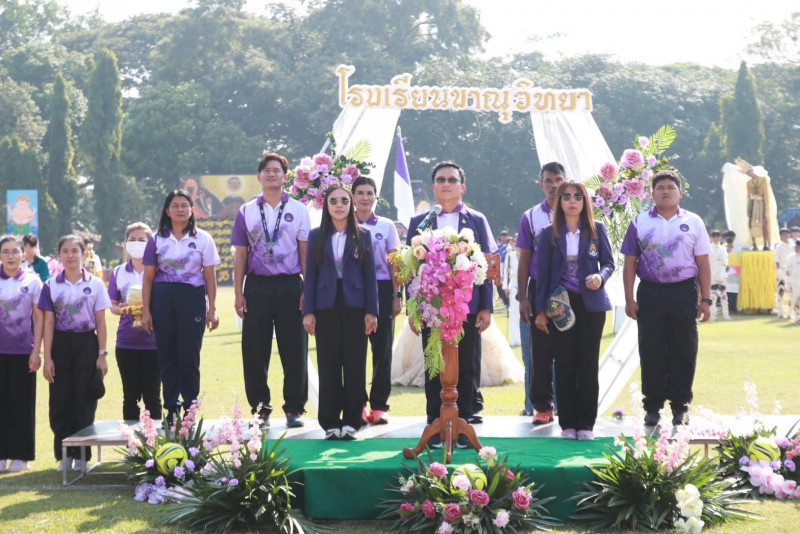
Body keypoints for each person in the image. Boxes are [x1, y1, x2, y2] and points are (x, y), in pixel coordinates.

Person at [406, 161, 496, 448]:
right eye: (441, 180)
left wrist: (486, 306)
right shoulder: (419, 222)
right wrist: (413, 309)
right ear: (433, 186)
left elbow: (488, 266)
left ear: (462, 187)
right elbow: (409, 269)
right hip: (431, 305)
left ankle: (464, 421)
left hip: (466, 304)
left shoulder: (477, 220)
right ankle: (435, 420)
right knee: (434, 361)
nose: (446, 184)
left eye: (452, 180)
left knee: (466, 362)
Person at [622, 170, 712, 427]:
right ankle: (652, 407)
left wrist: (706, 299)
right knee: (651, 349)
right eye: (659, 188)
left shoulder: (694, 222)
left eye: (670, 187)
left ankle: (681, 407)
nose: (665, 191)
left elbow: (703, 262)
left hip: (684, 292)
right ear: (652, 194)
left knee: (683, 349)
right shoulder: (639, 222)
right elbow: (630, 263)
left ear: (680, 193)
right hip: (650, 293)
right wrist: (629, 299)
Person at [231, 152, 310, 429]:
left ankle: (294, 409)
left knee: (294, 349)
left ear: (285, 177)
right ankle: (259, 409)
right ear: (259, 177)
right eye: (267, 170)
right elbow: (241, 255)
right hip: (257, 286)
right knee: (254, 349)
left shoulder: (298, 209)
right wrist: (238, 292)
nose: (272, 174)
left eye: (277, 170)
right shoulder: (246, 210)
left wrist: (308, 290)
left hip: (290, 285)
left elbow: (305, 252)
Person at [534, 181, 614, 441]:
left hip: (591, 305)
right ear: (559, 201)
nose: (572, 201)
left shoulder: (596, 229)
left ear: (585, 201)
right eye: (566, 196)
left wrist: (600, 277)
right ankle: (567, 423)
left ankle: (586, 424)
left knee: (588, 364)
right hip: (560, 305)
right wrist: (540, 310)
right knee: (564, 363)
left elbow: (609, 263)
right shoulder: (549, 233)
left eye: (578, 196)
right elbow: (542, 274)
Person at [303, 184, 378, 440]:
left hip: (355, 306)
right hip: (325, 306)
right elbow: (310, 277)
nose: (339, 205)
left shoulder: (363, 235)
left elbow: (370, 276)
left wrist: (372, 311)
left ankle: (352, 421)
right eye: (333, 201)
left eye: (344, 200)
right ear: (326, 206)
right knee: (329, 364)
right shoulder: (316, 236)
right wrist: (308, 311)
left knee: (355, 364)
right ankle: (330, 422)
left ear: (351, 204)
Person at [141, 190, 220, 421]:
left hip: (192, 299)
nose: (180, 210)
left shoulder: (203, 238)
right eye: (175, 206)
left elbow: (210, 277)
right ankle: (172, 407)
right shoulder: (157, 240)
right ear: (167, 211)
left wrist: (212, 309)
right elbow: (148, 278)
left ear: (191, 210)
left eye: (184, 205)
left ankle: (190, 408)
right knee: (167, 355)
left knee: (189, 356)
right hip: (163, 299)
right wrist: (146, 311)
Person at [39, 235, 111, 472]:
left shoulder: (96, 284)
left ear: (84, 254)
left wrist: (102, 354)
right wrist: (48, 357)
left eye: (75, 251)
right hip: (60, 344)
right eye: (65, 251)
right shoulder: (50, 285)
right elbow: (48, 323)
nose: (70, 255)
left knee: (85, 400)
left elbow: (101, 322)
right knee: (60, 401)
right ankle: (63, 455)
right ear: (59, 255)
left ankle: (82, 456)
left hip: (87, 344)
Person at [517, 161, 565, 426]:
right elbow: (524, 258)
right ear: (541, 184)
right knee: (541, 351)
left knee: (571, 349)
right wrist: (524, 297)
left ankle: (568, 405)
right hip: (540, 288)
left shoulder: (578, 210)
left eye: (558, 180)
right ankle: (543, 406)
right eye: (548, 181)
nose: (554, 185)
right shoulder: (531, 216)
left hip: (571, 287)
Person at [352, 176, 402, 425]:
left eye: (369, 193)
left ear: (376, 197)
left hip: (382, 290)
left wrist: (396, 295)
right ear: (352, 197)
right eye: (360, 193)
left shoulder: (386, 225)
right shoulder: (343, 223)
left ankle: (380, 405)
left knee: (382, 349)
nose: (365, 198)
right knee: (354, 350)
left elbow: (395, 263)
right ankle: (358, 404)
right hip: (353, 291)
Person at [108, 223, 161, 421]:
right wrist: (126, 309)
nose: (136, 243)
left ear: (150, 243)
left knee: (152, 397)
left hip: (154, 342)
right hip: (126, 342)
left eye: (141, 240)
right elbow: (112, 305)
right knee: (130, 397)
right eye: (132, 239)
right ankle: (131, 439)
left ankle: (155, 439)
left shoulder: (159, 270)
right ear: (125, 243)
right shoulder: (118, 272)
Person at [0, 236, 43, 473]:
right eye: (5, 251)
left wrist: (37, 351)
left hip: (23, 352)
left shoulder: (33, 281)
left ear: (23, 254)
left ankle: (21, 455)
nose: (10, 256)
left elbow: (38, 318)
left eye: (15, 251)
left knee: (21, 404)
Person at [709, 230, 731, 321]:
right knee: (712, 296)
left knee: (724, 296)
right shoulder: (708, 248)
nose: (716, 238)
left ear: (720, 238)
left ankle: (726, 315)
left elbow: (725, 262)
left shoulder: (723, 249)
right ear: (711, 238)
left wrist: (723, 265)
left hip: (722, 274)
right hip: (712, 274)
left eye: (717, 236)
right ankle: (712, 315)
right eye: (714, 236)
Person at [774, 228, 793, 319]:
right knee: (781, 292)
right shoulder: (779, 247)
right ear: (781, 236)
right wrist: (779, 272)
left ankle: (790, 313)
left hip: (792, 273)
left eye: (787, 234)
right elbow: (776, 261)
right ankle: (780, 313)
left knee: (791, 293)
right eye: (783, 235)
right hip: (782, 271)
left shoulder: (793, 245)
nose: (785, 236)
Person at [784, 241, 800, 323]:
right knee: (795, 300)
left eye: (798, 247)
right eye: (796, 247)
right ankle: (796, 317)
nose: (797, 248)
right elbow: (787, 271)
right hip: (794, 282)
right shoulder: (790, 257)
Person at [496, 230, 511, 310]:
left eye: (505, 236)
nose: (504, 238)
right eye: (503, 236)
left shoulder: (510, 246)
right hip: (500, 265)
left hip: (508, 266)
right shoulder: (498, 247)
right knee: (499, 283)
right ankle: (503, 299)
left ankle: (508, 301)